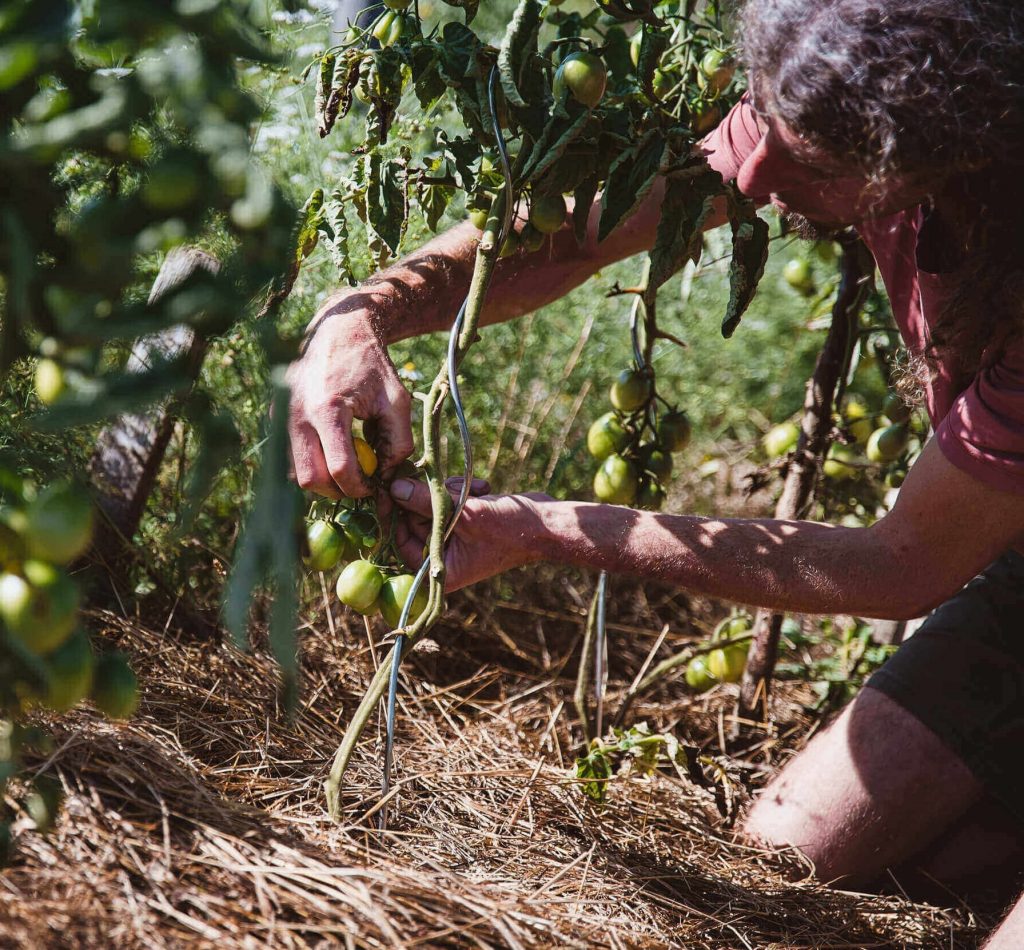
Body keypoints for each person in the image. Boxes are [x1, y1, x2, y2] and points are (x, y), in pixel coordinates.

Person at [285, 0, 1024, 941]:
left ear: (934, 160)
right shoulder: (862, 101)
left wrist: (542, 530)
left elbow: (900, 565)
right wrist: (361, 316)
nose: (755, 172)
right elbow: (578, 231)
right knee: (783, 857)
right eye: (765, 120)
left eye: (815, 165)